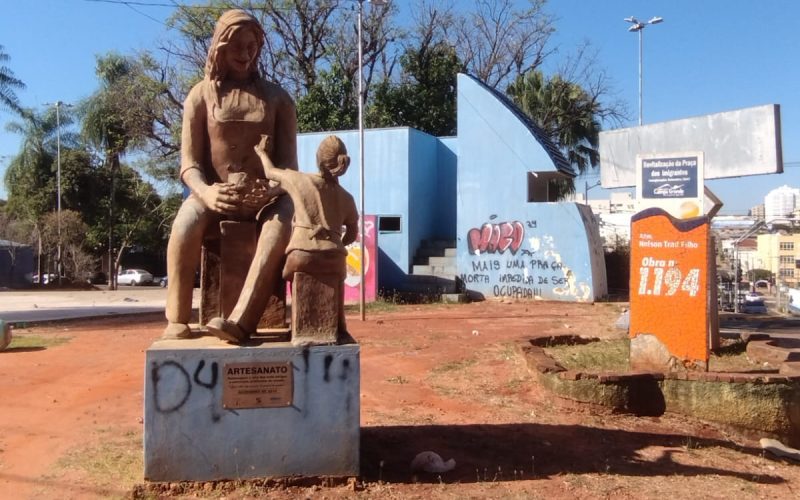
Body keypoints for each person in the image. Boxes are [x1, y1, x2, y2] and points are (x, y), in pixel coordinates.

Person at [163, 9, 297, 343]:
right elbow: (189, 164)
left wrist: (268, 192)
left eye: (251, 45)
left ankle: (242, 320)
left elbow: (289, 169)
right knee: (184, 226)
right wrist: (207, 193)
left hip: (267, 199)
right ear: (219, 47)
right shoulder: (199, 96)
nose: (245, 53)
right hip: (213, 195)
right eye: (236, 45)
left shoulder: (280, 100)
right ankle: (177, 318)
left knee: (279, 225)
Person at [254, 134, 359, 334]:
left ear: (318, 159)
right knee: (337, 274)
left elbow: (269, 171)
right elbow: (353, 234)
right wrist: (336, 243)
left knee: (287, 271)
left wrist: (261, 152)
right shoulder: (347, 197)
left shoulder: (299, 180)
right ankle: (339, 327)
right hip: (334, 257)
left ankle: (298, 322)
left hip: (302, 254)